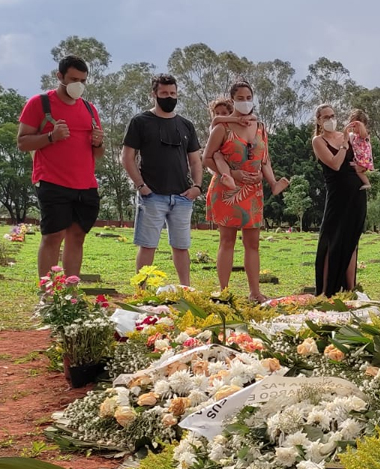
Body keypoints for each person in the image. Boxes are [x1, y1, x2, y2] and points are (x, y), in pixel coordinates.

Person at [17, 54, 104, 281]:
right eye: (74, 79)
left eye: (83, 81)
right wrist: (51, 137)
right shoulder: (39, 103)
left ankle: (71, 293)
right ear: (59, 76)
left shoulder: (89, 109)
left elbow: (99, 154)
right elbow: (22, 142)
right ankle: (48, 295)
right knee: (53, 236)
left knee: (77, 237)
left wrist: (99, 142)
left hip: (85, 185)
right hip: (53, 181)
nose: (78, 85)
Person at [204, 80, 288, 304]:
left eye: (248, 97)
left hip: (254, 190)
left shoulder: (260, 127)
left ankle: (255, 292)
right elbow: (207, 158)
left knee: (253, 243)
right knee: (227, 241)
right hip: (228, 189)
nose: (244, 101)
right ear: (232, 100)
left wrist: (270, 180)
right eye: (239, 98)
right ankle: (224, 292)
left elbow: (265, 159)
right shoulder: (222, 127)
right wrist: (232, 174)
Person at [121, 74, 203, 287]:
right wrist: (141, 186)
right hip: (152, 196)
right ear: (154, 94)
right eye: (164, 93)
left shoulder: (186, 125)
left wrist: (197, 187)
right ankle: (142, 290)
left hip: (183, 196)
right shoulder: (140, 122)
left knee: (182, 246)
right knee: (147, 245)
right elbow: (127, 157)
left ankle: (186, 288)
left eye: (173, 93)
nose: (169, 97)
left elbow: (195, 161)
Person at [310, 104, 367, 296]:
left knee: (351, 241)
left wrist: (362, 168)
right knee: (330, 240)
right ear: (318, 120)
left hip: (356, 194)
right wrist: (343, 144)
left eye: (333, 116)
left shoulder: (348, 137)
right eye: (325, 117)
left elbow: (364, 156)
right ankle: (326, 291)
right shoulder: (318, 141)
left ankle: (351, 289)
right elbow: (335, 164)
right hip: (337, 196)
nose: (330, 119)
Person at [347, 109, 374, 191]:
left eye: (355, 126)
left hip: (364, 159)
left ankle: (367, 183)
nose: (353, 128)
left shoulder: (364, 135)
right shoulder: (354, 136)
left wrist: (360, 125)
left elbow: (363, 133)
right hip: (359, 158)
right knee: (357, 168)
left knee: (359, 171)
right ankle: (355, 164)